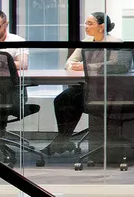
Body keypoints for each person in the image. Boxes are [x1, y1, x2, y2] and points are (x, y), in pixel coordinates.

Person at [48, 10, 114, 151]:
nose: (86, 26)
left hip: (108, 91)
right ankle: (63, 138)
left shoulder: (114, 42)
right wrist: (74, 66)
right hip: (88, 89)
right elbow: (69, 63)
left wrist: (86, 67)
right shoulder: (86, 42)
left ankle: (62, 140)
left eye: (90, 24)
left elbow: (117, 65)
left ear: (101, 27)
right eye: (86, 23)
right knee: (62, 100)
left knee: (73, 100)